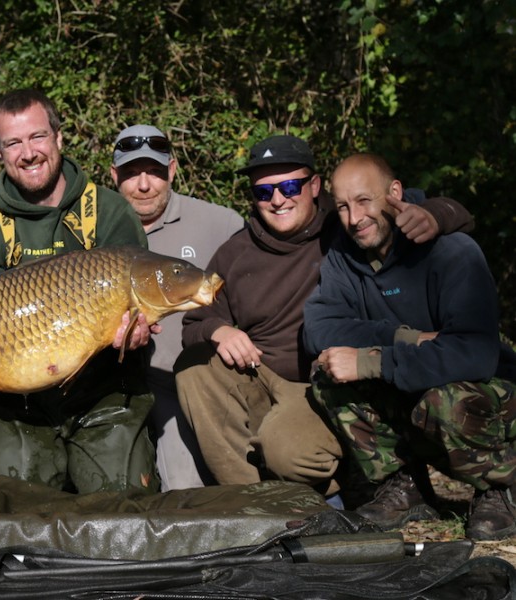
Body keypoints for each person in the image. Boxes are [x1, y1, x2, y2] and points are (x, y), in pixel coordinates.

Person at [175, 135, 474, 505]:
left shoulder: (347, 222)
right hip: (262, 373)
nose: (278, 199)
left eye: (289, 186)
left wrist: (435, 215)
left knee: (290, 454)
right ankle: (252, 502)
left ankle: (341, 484)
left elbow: (432, 208)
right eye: (263, 192)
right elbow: (195, 321)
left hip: (328, 384)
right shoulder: (235, 252)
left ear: (314, 186)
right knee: (193, 366)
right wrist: (218, 330)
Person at [303, 153, 516, 539]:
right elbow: (319, 329)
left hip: (487, 393)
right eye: (344, 207)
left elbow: (474, 353)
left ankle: (501, 487)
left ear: (395, 192)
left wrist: (372, 362)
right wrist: (407, 339)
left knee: (446, 399)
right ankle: (404, 487)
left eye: (365, 201)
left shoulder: (453, 251)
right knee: (328, 371)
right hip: (414, 388)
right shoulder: (343, 255)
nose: (355, 218)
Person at [0, 88, 156, 494]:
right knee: (15, 507)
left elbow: (139, 302)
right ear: (0, 155)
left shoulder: (109, 211)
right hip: (18, 405)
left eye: (37, 137)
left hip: (104, 394)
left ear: (59, 138)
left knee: (122, 506)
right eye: (13, 143)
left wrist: (137, 332)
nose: (28, 152)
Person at [110, 124, 244, 491]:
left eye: (153, 172)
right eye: (131, 174)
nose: (143, 185)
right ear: (114, 177)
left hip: (185, 381)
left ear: (171, 170)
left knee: (185, 488)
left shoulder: (221, 224)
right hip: (117, 383)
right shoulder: (100, 229)